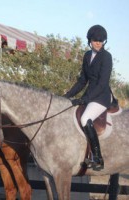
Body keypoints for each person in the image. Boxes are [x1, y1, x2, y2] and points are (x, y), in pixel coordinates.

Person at [64, 25, 113, 170]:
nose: (98, 43)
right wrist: (67, 96)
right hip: (90, 95)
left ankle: (98, 158)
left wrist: (85, 99)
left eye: (101, 40)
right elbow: (82, 80)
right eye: (95, 40)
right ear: (90, 40)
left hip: (102, 96)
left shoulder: (106, 57)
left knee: (85, 119)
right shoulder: (87, 55)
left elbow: (102, 83)